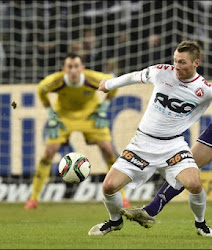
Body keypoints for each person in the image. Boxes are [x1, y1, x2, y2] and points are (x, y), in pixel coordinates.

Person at [87, 40, 212, 237]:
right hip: (142, 143)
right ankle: (115, 221)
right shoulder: (161, 72)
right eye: (175, 61)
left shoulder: (204, 89)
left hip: (173, 145)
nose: (176, 66)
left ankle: (202, 224)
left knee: (195, 183)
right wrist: (110, 84)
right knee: (108, 187)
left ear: (196, 63)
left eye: (182, 62)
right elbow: (135, 76)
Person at [24, 53, 131, 210]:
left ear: (82, 68)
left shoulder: (92, 78)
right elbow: (41, 90)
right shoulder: (55, 81)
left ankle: (122, 197)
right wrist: (52, 116)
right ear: (64, 69)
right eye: (70, 67)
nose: (73, 70)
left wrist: (103, 108)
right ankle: (33, 198)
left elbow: (112, 83)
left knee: (108, 150)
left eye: (76, 67)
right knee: (48, 152)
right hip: (64, 117)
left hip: (90, 115)